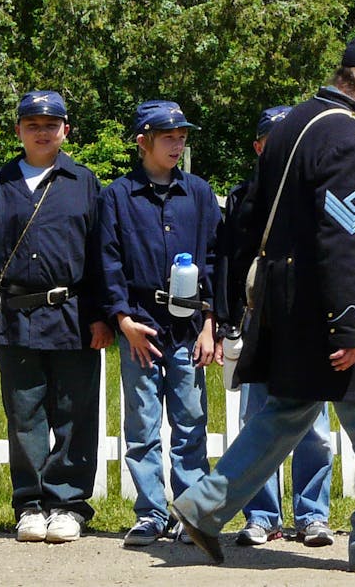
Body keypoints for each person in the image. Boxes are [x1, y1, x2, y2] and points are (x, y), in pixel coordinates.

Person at [170, 31, 355, 573]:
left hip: (287, 297)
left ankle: (202, 507)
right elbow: (343, 239)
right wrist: (349, 323)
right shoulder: (349, 140)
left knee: (287, 413)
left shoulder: (295, 121)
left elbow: (252, 217)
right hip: (332, 301)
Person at [0, 90, 113, 544]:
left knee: (75, 413)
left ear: (65, 129)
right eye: (33, 124)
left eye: (51, 124)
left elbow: (100, 254)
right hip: (14, 316)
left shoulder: (84, 182)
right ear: (19, 131)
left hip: (72, 314)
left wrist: (101, 315)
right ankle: (29, 503)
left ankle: (67, 503)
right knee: (24, 414)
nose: (42, 131)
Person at [98, 99, 220, 547]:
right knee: (143, 424)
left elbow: (212, 261)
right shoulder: (116, 196)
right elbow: (108, 263)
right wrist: (123, 320)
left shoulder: (200, 194)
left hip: (189, 327)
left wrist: (211, 324)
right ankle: (150, 512)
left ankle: (190, 511)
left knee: (191, 422)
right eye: (168, 136)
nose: (177, 144)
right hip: (141, 325)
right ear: (142, 141)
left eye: (182, 136)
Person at [218, 106, 336, 549]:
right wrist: (228, 318)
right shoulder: (244, 197)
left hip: (307, 319)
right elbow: (230, 261)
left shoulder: (321, 194)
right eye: (274, 139)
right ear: (259, 147)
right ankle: (263, 514)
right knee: (257, 419)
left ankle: (313, 514)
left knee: (316, 429)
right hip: (258, 318)